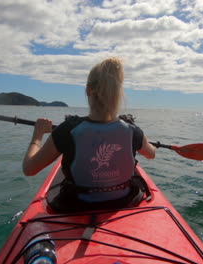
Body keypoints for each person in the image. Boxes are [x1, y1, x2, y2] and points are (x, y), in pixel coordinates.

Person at [22, 57, 156, 213]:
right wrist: (144, 140)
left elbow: (29, 169)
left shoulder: (68, 130)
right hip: (124, 202)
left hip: (76, 205)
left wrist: (37, 135)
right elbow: (151, 154)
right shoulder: (133, 130)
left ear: (88, 90)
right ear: (117, 93)